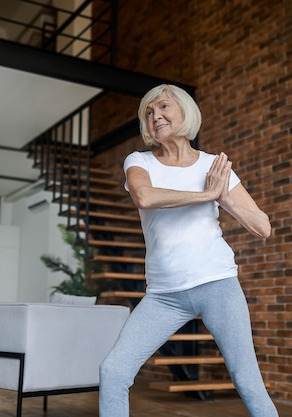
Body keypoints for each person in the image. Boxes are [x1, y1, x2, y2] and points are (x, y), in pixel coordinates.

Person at [99, 84, 279, 417]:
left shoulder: (213, 167)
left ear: (185, 112)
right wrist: (205, 195)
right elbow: (145, 197)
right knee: (114, 371)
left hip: (218, 286)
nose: (156, 117)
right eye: (149, 113)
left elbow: (263, 227)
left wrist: (222, 195)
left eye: (163, 107)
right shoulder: (138, 161)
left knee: (248, 381)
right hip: (163, 296)